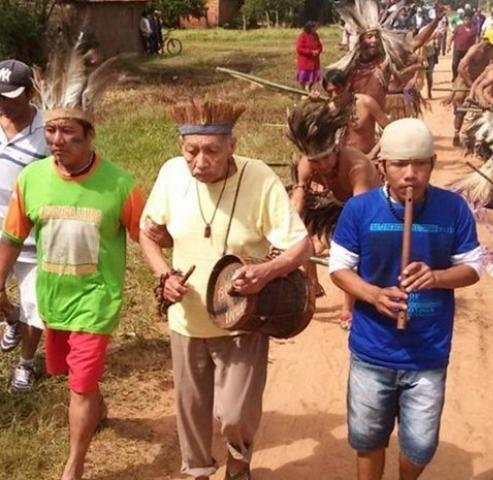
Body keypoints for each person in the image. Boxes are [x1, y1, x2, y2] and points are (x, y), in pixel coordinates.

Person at [139, 97, 311, 480]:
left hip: (241, 321)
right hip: (187, 321)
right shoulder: (171, 174)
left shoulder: (258, 177)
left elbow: (302, 246)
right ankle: (197, 470)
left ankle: (238, 462)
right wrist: (164, 275)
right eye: (191, 151)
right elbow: (147, 233)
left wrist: (266, 272)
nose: (200, 161)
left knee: (235, 414)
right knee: (192, 410)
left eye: (211, 151)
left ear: (232, 145)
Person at [0, 40, 144, 480]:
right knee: (72, 376)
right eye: (52, 133)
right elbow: (11, 236)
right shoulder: (32, 180)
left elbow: (150, 238)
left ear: (89, 135)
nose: (57, 142)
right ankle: (97, 408)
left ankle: (74, 465)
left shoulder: (120, 184)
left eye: (69, 134)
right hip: (53, 296)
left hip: (97, 302)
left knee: (78, 386)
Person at [329, 118, 482, 480]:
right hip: (372, 350)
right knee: (368, 440)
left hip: (428, 352)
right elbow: (339, 268)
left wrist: (437, 276)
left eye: (420, 164)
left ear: (432, 164)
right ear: (382, 166)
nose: (410, 174)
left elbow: (473, 267)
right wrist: (374, 295)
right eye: (399, 164)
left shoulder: (453, 208)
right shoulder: (360, 209)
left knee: (420, 447)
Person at [288, 100, 380, 327]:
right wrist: (288, 232)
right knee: (302, 235)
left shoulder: (356, 165)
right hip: (333, 202)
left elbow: (359, 211)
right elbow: (298, 203)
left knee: (351, 249)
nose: (320, 165)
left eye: (325, 158)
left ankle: (348, 308)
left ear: (336, 149)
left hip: (367, 207)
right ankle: (312, 285)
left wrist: (338, 243)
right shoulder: (306, 165)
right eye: (314, 160)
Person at [0, 59, 49, 392]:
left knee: (37, 307)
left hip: (33, 237)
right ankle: (10, 316)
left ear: (29, 93)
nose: (4, 103)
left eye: (11, 96)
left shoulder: (48, 132)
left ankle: (26, 364)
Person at [321, 68, 390, 156]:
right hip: (341, 159)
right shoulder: (330, 109)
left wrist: (372, 154)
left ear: (347, 85)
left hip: (367, 158)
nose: (334, 95)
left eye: (338, 89)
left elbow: (390, 129)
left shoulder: (366, 103)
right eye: (330, 92)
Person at [444, 37, 493, 146]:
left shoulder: (492, 50)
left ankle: (480, 137)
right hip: (464, 80)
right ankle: (456, 134)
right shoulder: (474, 50)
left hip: (479, 81)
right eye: (487, 43)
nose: (488, 46)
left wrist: (484, 84)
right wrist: (470, 84)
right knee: (460, 109)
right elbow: (461, 68)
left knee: (484, 107)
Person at [447, 13, 477, 82]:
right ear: (463, 20)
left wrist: (475, 49)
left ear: (471, 20)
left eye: (468, 19)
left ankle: (464, 79)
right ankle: (455, 76)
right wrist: (448, 46)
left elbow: (476, 40)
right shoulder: (458, 27)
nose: (466, 21)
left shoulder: (473, 29)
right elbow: (451, 37)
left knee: (466, 65)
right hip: (457, 49)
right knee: (454, 64)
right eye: (465, 19)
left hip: (467, 50)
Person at [295, 21, 323, 91]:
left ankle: (308, 87)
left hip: (314, 61)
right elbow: (299, 48)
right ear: (310, 27)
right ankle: (303, 90)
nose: (316, 29)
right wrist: (310, 52)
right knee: (303, 77)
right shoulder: (302, 36)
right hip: (305, 61)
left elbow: (320, 45)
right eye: (315, 27)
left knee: (314, 77)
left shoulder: (315, 35)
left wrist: (318, 51)